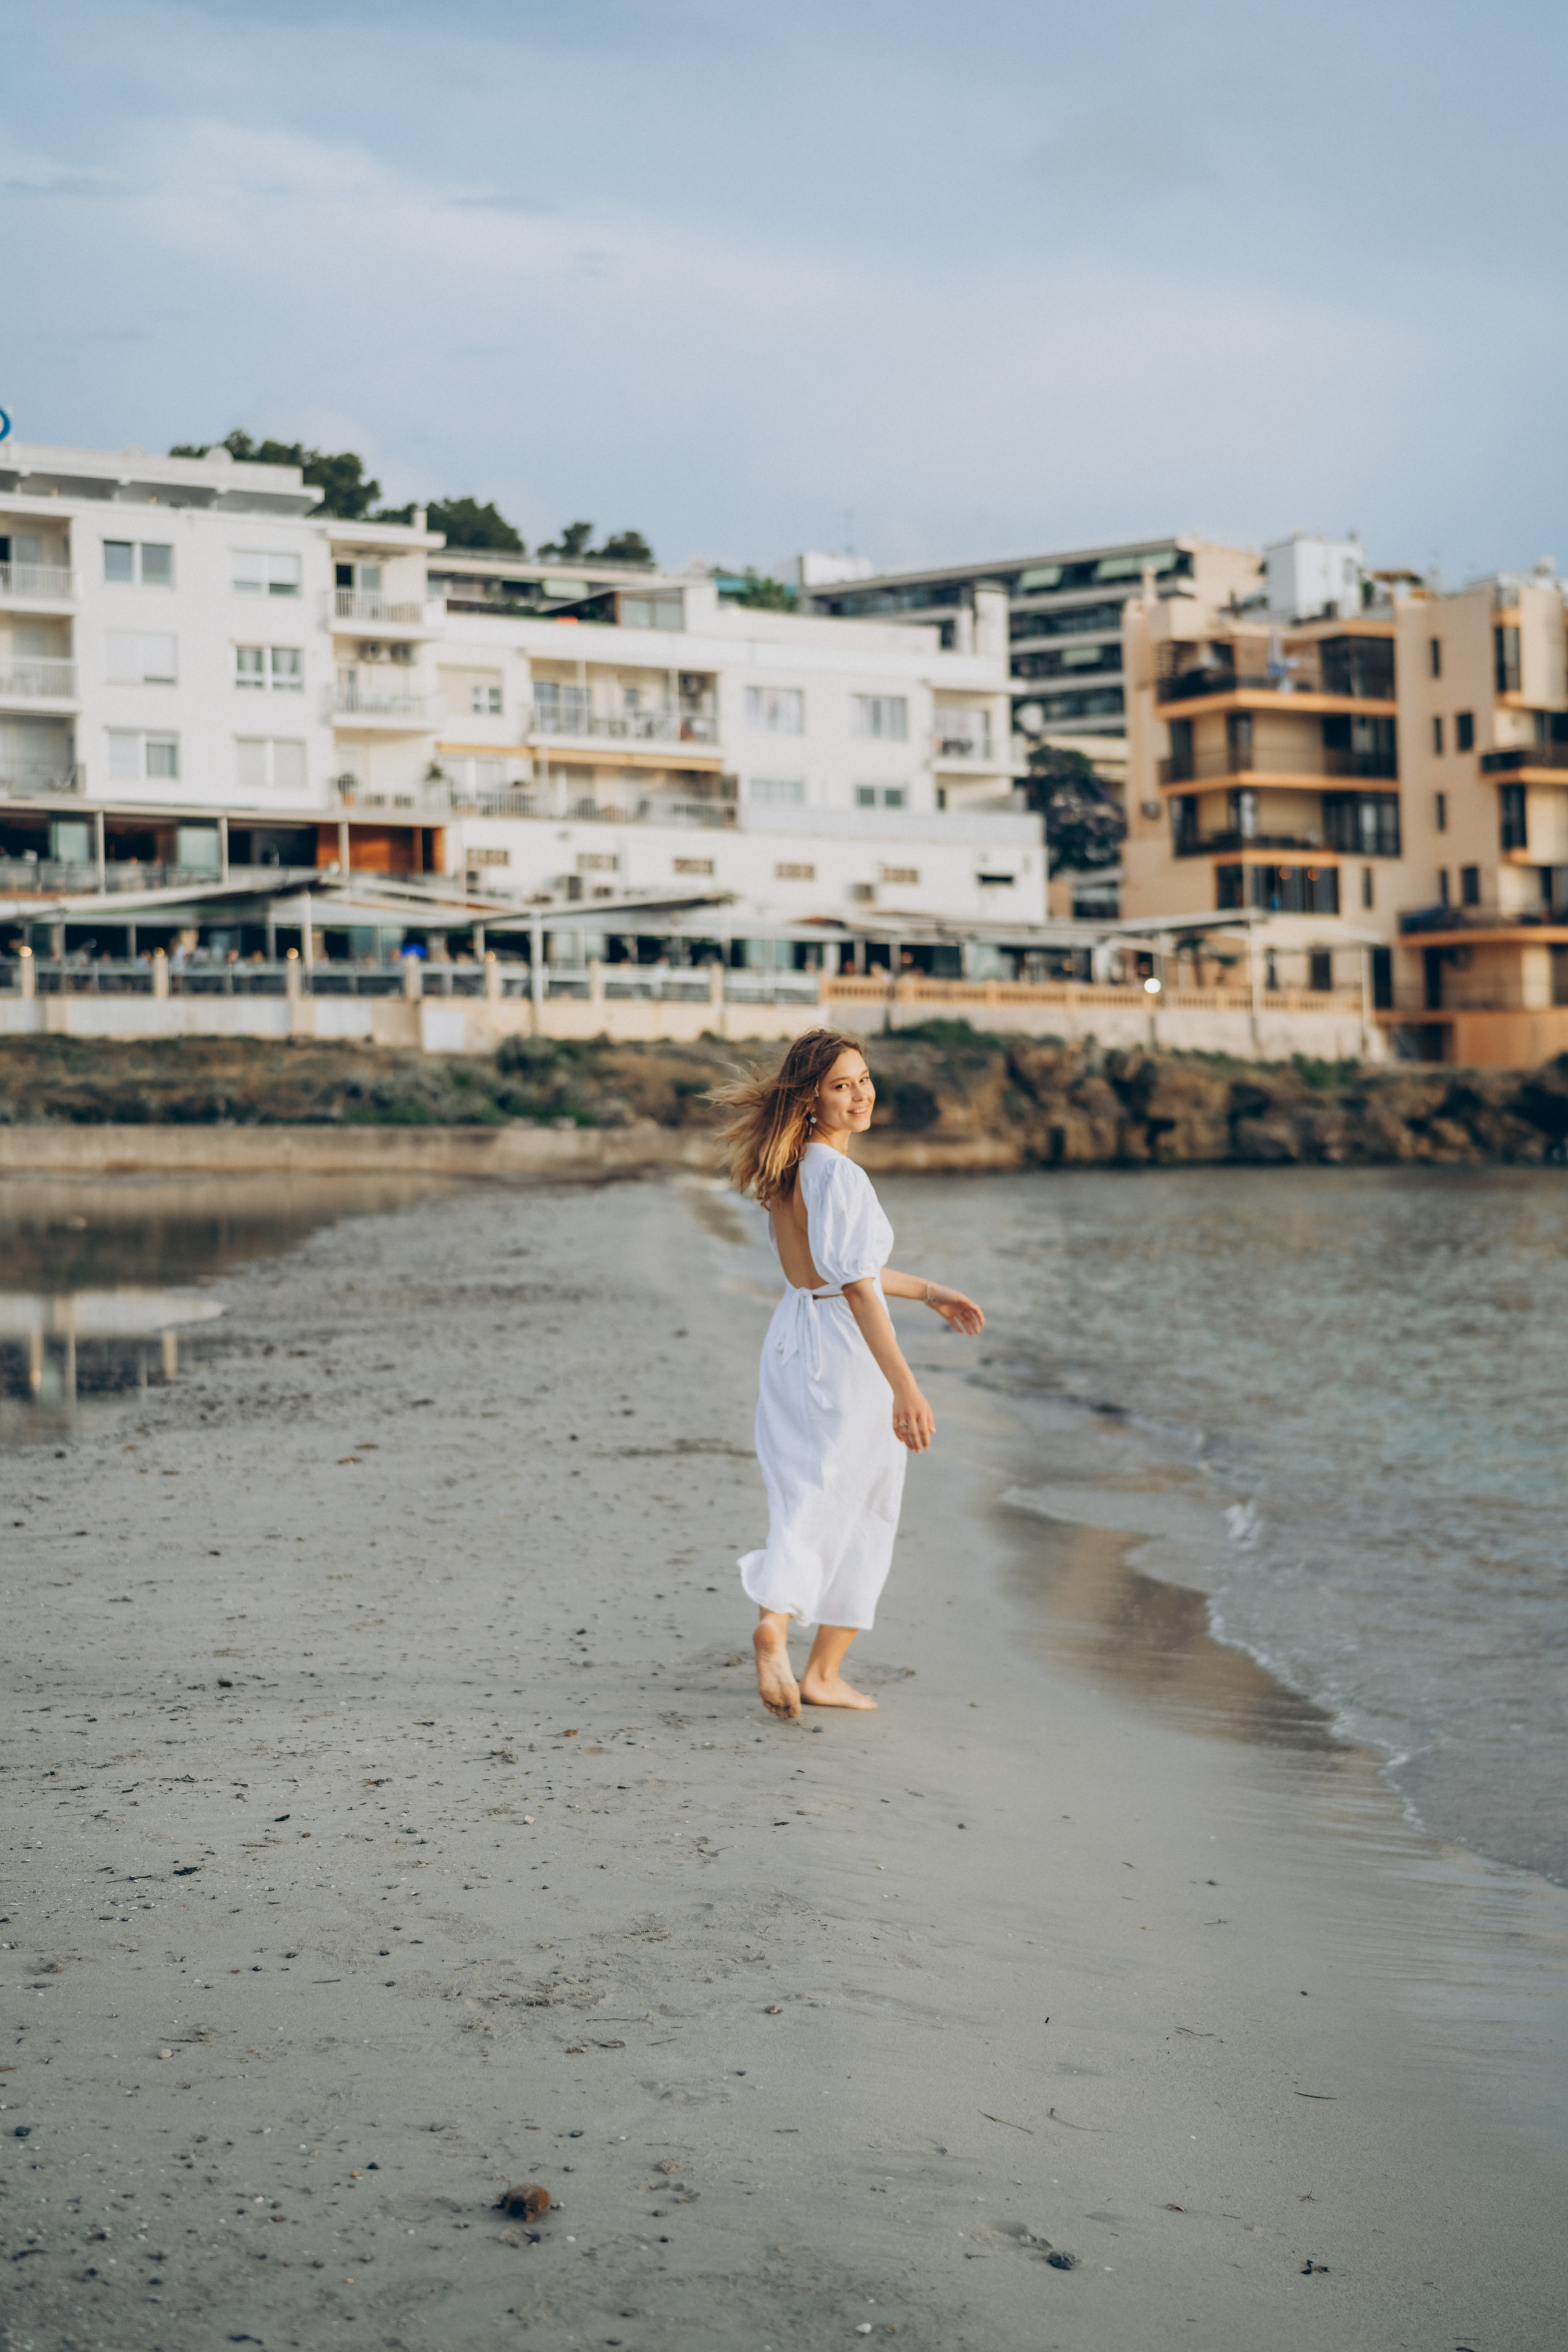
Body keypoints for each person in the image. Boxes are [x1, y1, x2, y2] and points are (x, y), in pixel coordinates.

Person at [714, 1029, 984, 1721]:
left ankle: (781, 1627)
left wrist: (929, 1290)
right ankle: (815, 1663)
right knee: (863, 1501)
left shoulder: (790, 1167)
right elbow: (857, 1289)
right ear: (809, 1099)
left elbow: (840, 1273)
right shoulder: (841, 1175)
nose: (861, 1093)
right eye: (842, 1085)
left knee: (809, 1490)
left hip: (794, 1336)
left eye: (863, 1078)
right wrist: (906, 1387)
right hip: (841, 1346)